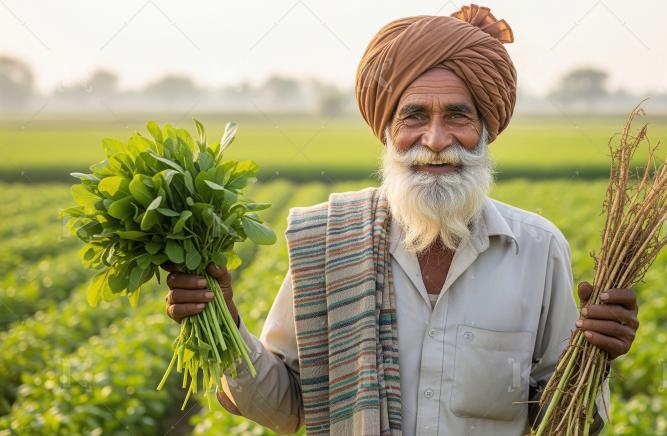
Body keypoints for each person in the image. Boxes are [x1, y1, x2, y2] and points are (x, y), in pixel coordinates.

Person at [163, 4, 639, 435]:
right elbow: (285, 406)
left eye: (457, 115)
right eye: (413, 116)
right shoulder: (329, 240)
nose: (435, 139)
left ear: (485, 132)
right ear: (387, 132)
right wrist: (224, 325)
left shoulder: (537, 250)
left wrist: (594, 360)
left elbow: (561, 422)